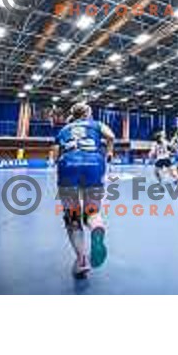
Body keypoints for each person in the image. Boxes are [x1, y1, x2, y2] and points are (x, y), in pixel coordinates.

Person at [53, 102, 115, 279]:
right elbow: (111, 135)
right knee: (92, 212)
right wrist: (109, 152)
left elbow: (56, 155)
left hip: (68, 165)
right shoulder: (96, 124)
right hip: (94, 164)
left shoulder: (64, 129)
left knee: (72, 217)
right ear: (88, 113)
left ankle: (81, 260)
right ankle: (97, 227)